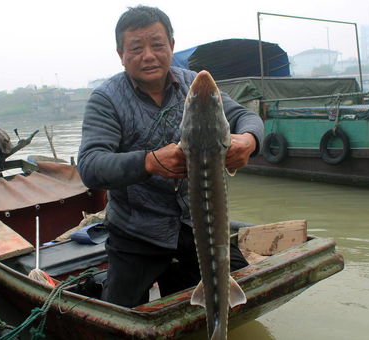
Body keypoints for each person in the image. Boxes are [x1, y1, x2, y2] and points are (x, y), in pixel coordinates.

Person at [78, 5, 264, 308]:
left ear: (172, 46)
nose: (148, 55)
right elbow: (90, 165)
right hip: (137, 232)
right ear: (121, 54)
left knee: (247, 299)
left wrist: (248, 139)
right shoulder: (106, 99)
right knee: (121, 319)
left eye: (157, 44)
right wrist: (148, 162)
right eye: (136, 48)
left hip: (195, 225)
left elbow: (245, 116)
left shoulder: (194, 84)